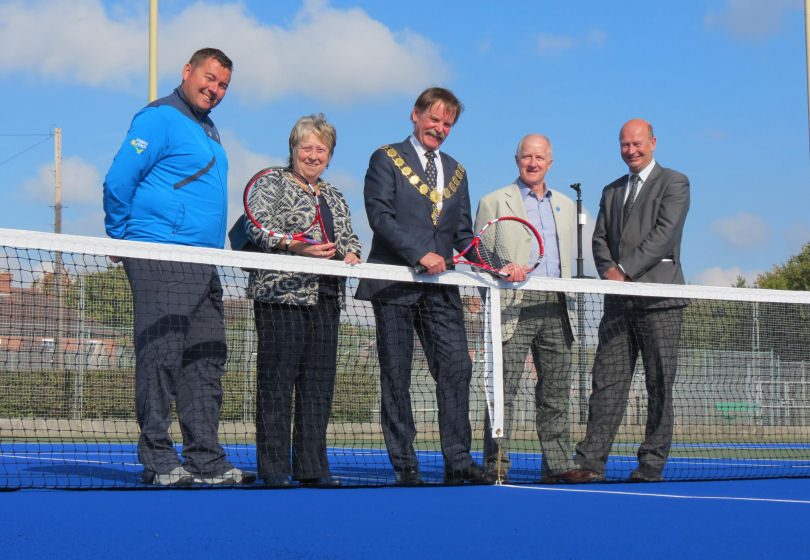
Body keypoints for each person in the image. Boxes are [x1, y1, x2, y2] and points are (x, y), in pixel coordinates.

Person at [103, 48, 255, 486]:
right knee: (161, 357)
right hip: (161, 255)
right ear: (187, 71)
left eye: (223, 84)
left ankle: (205, 459)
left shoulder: (210, 131)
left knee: (206, 360)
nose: (215, 89)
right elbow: (119, 179)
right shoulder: (158, 118)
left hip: (203, 263)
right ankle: (158, 460)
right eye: (209, 78)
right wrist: (121, 236)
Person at [356, 87, 492, 485]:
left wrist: (499, 266)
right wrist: (420, 254)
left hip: (440, 288)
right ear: (415, 115)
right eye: (434, 119)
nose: (440, 128)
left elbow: (464, 235)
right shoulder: (385, 158)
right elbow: (379, 216)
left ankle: (458, 459)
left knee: (457, 366)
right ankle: (405, 463)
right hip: (394, 283)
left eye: (448, 123)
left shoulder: (458, 171)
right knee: (395, 375)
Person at [569, 118, 690, 483]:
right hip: (619, 303)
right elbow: (599, 239)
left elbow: (664, 235)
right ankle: (590, 463)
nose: (631, 150)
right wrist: (610, 272)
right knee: (607, 381)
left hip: (660, 300)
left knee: (659, 385)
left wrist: (624, 270)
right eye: (625, 145)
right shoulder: (611, 190)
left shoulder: (675, 183)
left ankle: (650, 465)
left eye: (637, 144)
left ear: (653, 142)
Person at [245, 114, 361, 488]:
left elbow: (349, 237)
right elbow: (256, 225)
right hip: (282, 296)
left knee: (317, 385)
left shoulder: (335, 195)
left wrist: (353, 254)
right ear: (293, 149)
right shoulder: (271, 182)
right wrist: (295, 245)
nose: (313, 155)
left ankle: (312, 467)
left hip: (326, 299)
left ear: (329, 155)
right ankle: (275, 468)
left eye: (321, 149)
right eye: (306, 147)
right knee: (277, 384)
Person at [475, 134, 591, 484]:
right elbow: (478, 253)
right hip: (513, 306)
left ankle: (558, 465)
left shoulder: (569, 207)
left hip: (558, 306)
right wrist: (502, 269)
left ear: (550, 163)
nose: (533, 162)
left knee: (556, 391)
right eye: (527, 156)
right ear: (517, 160)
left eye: (539, 157)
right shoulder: (493, 201)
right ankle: (497, 465)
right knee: (503, 390)